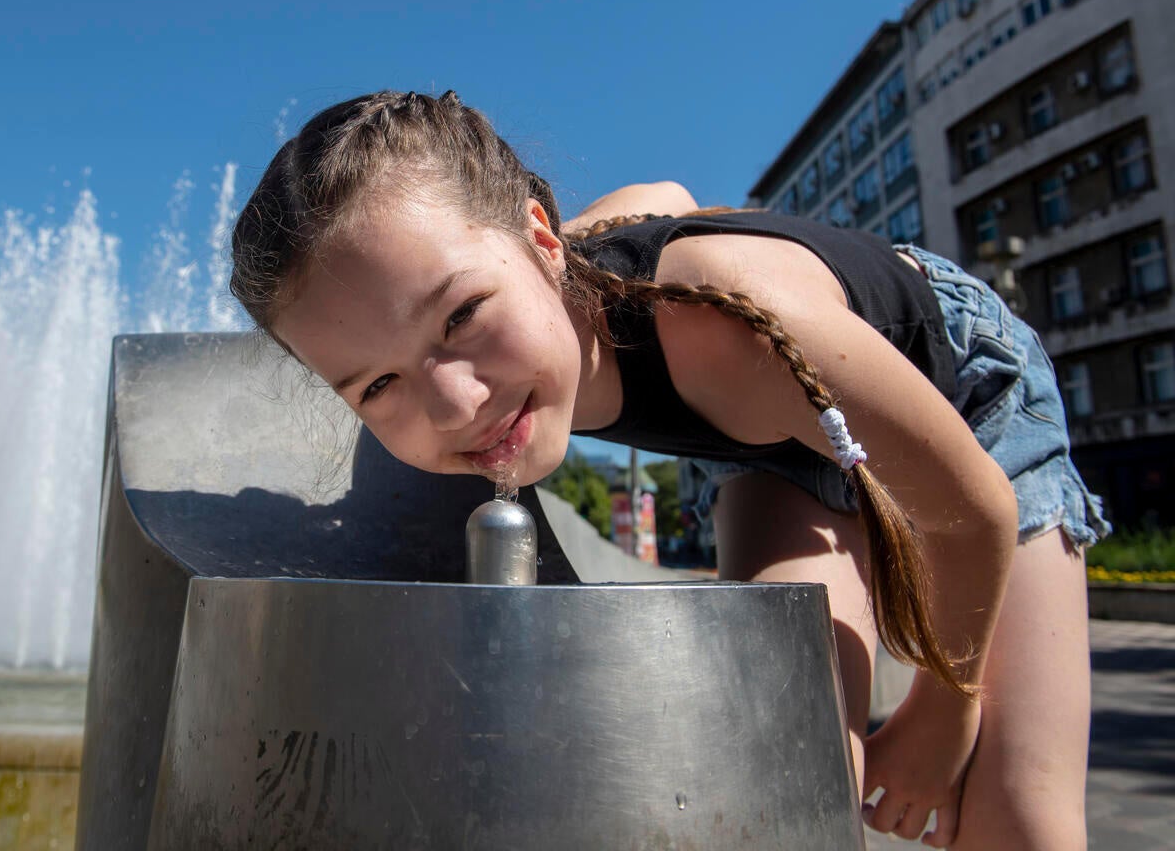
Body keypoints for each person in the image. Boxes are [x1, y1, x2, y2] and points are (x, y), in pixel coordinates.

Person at [228, 89, 1108, 850]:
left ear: (541, 243)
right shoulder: (537, 272)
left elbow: (972, 516)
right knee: (795, 776)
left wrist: (941, 714)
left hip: (956, 399)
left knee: (1018, 820)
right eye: (378, 383)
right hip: (773, 449)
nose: (455, 406)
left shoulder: (734, 331)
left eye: (459, 315)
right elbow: (667, 193)